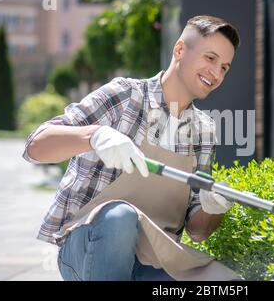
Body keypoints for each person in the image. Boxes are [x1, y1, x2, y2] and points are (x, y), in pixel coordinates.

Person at [23, 15, 241, 281]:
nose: (216, 73)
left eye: (225, 68)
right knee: (121, 217)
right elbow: (35, 146)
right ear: (180, 50)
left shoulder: (204, 131)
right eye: (210, 58)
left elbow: (198, 231)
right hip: (88, 247)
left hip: (155, 258)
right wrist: (95, 135)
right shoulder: (125, 96)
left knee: (226, 283)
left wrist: (212, 206)